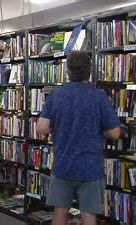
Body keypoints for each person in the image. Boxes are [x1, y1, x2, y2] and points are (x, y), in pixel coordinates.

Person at [36, 51, 121, 225]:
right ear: (89, 71)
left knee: (60, 212)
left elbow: (41, 128)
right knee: (89, 215)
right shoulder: (99, 97)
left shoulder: (57, 95)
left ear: (68, 70)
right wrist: (99, 130)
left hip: (63, 165)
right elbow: (115, 133)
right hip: (90, 167)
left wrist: (58, 126)